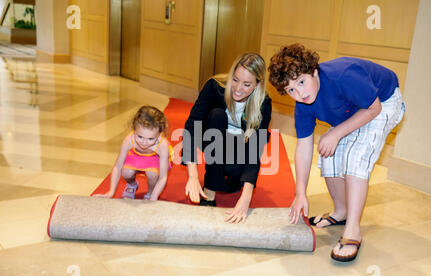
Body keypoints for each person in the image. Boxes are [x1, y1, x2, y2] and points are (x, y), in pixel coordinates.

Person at [268, 43, 405, 262]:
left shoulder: (343, 76)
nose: (300, 93)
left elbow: (374, 109)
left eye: (301, 82)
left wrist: (337, 133)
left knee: (354, 158)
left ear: (314, 71)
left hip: (382, 101)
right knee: (327, 152)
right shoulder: (303, 105)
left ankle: (353, 230)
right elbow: (304, 147)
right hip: (354, 109)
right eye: (291, 90)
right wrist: (300, 193)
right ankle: (341, 212)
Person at [182, 52, 272, 224]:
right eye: (235, 80)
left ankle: (232, 180)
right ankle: (210, 189)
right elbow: (192, 126)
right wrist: (193, 176)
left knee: (233, 174)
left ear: (257, 85)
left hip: (240, 146)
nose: (238, 88)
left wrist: (246, 198)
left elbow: (255, 149)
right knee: (217, 115)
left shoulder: (263, 103)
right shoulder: (214, 87)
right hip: (212, 136)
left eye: (247, 84)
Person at [96, 105, 173, 200]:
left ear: (159, 134)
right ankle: (132, 185)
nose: (144, 143)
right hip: (136, 157)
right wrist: (111, 192)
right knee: (126, 172)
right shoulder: (129, 140)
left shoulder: (162, 145)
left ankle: (150, 192)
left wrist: (154, 197)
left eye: (150, 139)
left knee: (152, 173)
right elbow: (117, 166)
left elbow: (163, 177)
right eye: (140, 136)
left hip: (154, 160)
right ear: (134, 129)